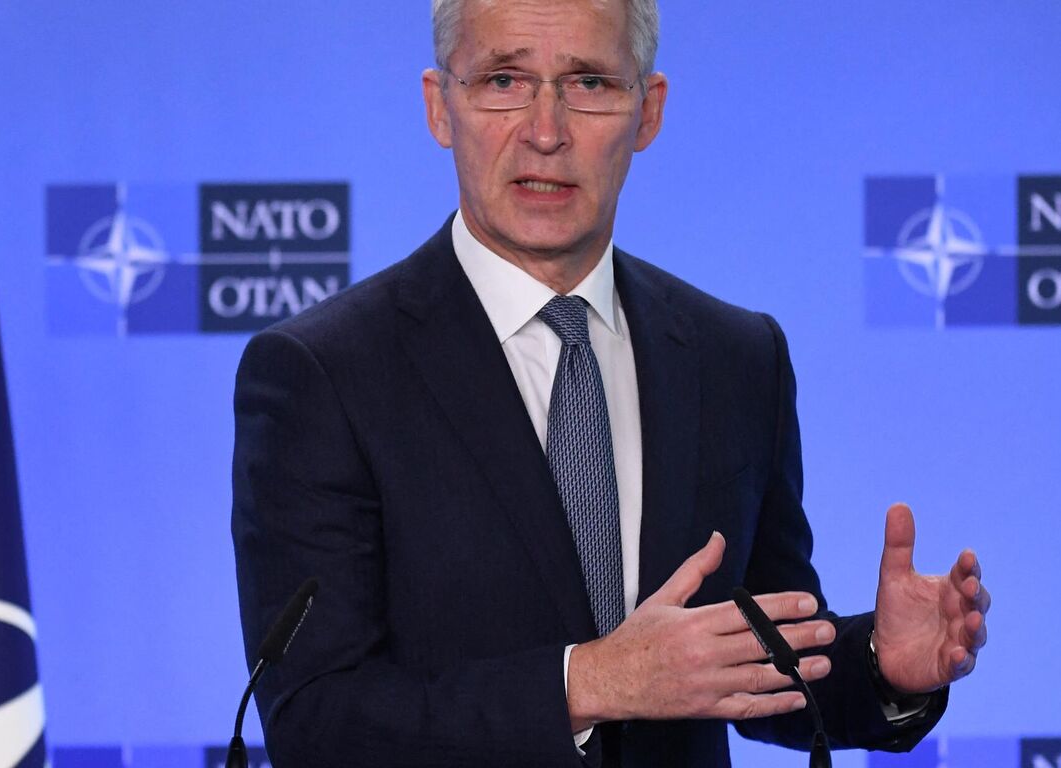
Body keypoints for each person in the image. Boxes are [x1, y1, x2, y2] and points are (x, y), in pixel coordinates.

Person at [230, 1, 990, 765]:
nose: (546, 131)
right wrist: (589, 682)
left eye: (589, 82)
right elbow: (318, 721)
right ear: (440, 106)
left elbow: (760, 659)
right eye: (504, 79)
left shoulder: (735, 356)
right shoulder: (323, 374)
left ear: (648, 111)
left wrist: (882, 665)